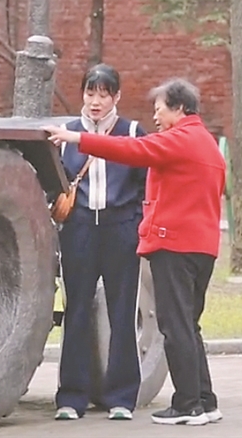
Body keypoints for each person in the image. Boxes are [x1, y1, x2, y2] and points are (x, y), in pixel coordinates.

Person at [44, 78, 226, 426]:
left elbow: (132, 151)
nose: (155, 117)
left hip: (175, 244)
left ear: (178, 108)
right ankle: (206, 400)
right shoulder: (207, 142)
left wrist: (77, 139)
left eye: (159, 110)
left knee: (174, 326)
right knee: (189, 325)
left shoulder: (178, 139)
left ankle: (188, 404)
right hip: (203, 246)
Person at [53, 64, 147, 422]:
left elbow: (146, 182)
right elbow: (56, 181)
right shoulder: (67, 134)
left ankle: (121, 397)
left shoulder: (132, 132)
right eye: (90, 93)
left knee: (122, 312)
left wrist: (134, 221)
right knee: (76, 310)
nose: (96, 101)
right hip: (79, 229)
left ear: (116, 97)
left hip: (120, 229)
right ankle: (71, 397)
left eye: (103, 94)